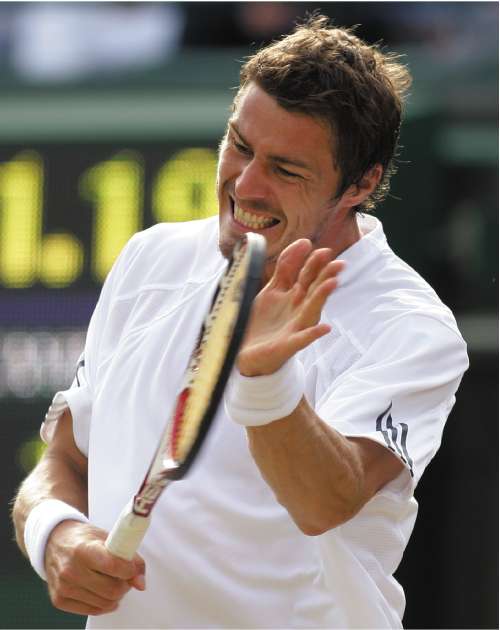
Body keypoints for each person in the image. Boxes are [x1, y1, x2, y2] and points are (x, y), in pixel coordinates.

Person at [12, 16, 468, 629]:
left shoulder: (410, 326)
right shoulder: (151, 258)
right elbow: (65, 459)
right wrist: (55, 533)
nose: (244, 186)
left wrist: (264, 379)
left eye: (286, 170)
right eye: (240, 146)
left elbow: (325, 502)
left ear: (361, 184)